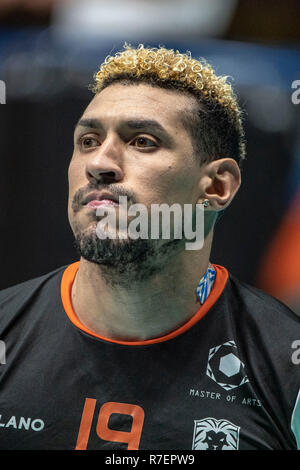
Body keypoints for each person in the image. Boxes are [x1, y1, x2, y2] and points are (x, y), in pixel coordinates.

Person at [0, 44, 299, 451]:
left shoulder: (287, 367)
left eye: (142, 141)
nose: (99, 163)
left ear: (216, 186)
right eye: (87, 140)